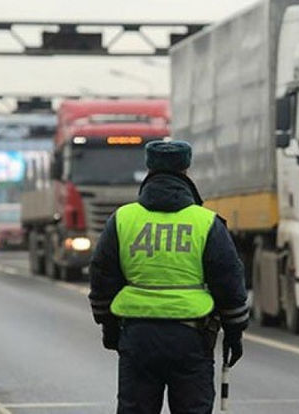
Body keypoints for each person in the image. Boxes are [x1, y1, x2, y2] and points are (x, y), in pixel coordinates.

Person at [89, 140, 248, 414]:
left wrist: (109, 327)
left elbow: (102, 276)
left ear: (149, 168)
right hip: (191, 339)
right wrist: (234, 333)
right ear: (186, 170)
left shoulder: (122, 219)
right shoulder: (206, 222)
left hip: (137, 337)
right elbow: (229, 282)